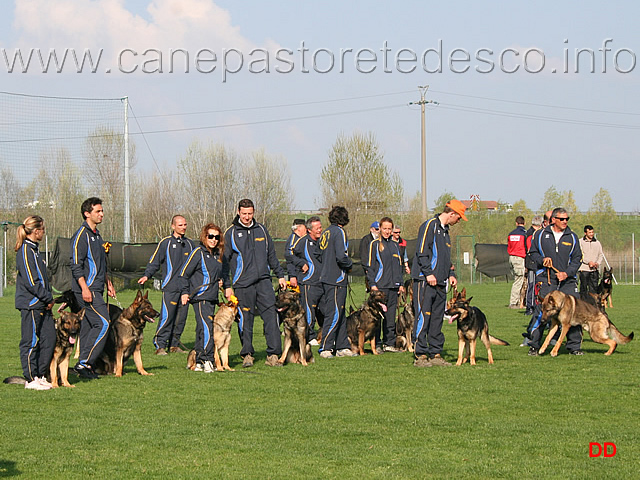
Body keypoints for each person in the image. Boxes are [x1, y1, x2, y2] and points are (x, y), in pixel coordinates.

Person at [223, 199, 286, 368]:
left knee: (272, 317)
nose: (247, 217)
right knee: (245, 320)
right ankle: (247, 354)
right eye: (244, 214)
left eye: (250, 213)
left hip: (264, 281)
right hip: (242, 284)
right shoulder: (231, 233)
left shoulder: (262, 230)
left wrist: (280, 275)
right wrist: (226, 286)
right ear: (238, 212)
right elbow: (224, 261)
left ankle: (273, 354)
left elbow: (271, 255)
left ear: (254, 212)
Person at [411, 199, 467, 367]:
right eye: (458, 218)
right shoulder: (430, 226)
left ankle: (435, 354)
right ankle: (420, 355)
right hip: (425, 281)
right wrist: (428, 273)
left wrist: (451, 273)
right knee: (423, 316)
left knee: (437, 319)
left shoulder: (445, 232)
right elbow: (421, 252)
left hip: (441, 282)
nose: (458, 221)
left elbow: (445, 258)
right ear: (452, 213)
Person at [526, 207, 584, 356]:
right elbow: (532, 253)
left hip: (567, 281)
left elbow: (577, 259)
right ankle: (534, 344)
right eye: (562, 219)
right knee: (542, 311)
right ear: (553, 220)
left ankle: (574, 347)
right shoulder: (539, 235)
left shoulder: (572, 237)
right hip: (546, 279)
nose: (565, 222)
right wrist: (542, 260)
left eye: (567, 219)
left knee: (573, 312)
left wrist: (567, 273)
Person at [70, 197, 116, 380]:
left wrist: (108, 283)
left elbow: (100, 264)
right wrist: (85, 288)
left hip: (98, 287)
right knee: (103, 323)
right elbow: (75, 265)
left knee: (90, 326)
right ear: (87, 214)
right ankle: (85, 362)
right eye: (98, 211)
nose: (102, 214)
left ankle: (83, 364)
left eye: (102, 211)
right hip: (86, 290)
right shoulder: (81, 235)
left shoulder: (97, 235)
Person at [138, 215, 195, 355]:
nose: (183, 227)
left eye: (185, 225)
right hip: (170, 287)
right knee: (167, 317)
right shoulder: (166, 243)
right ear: (173, 226)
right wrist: (147, 275)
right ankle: (160, 345)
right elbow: (155, 261)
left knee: (180, 319)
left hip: (186, 290)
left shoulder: (190, 244)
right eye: (180, 225)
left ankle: (174, 345)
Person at [15, 216, 55, 390]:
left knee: (49, 338)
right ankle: (31, 379)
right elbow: (32, 282)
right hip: (31, 304)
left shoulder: (36, 251)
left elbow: (43, 279)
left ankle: (40, 375)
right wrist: (47, 298)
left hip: (43, 304)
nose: (44, 232)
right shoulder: (25, 251)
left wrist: (48, 298)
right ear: (36, 231)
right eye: (43, 229)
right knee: (30, 341)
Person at [179, 223, 227, 373]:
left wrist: (221, 282)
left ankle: (199, 361)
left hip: (212, 297)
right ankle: (208, 359)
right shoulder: (197, 252)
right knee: (207, 327)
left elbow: (220, 274)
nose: (213, 240)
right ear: (204, 236)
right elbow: (184, 273)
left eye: (216, 237)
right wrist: (184, 292)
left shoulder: (218, 255)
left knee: (201, 329)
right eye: (210, 236)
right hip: (200, 297)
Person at [318, 205, 356, 358]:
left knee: (340, 312)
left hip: (327, 277)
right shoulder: (339, 232)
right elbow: (341, 256)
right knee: (333, 313)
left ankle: (342, 346)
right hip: (336, 279)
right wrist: (350, 264)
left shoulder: (326, 232)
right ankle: (325, 347)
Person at [366, 217, 405, 353]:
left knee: (390, 317)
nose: (387, 231)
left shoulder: (395, 245)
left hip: (393, 287)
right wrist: (373, 285)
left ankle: (389, 343)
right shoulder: (375, 245)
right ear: (380, 229)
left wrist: (400, 284)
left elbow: (398, 266)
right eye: (385, 228)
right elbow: (370, 267)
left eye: (389, 229)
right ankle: (376, 343)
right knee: (377, 317)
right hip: (380, 287)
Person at [291, 216, 324, 344]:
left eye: (320, 227)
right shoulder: (302, 242)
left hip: (322, 282)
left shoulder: (322, 241)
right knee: (309, 310)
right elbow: (290, 254)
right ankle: (309, 336)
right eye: (317, 228)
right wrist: (300, 263)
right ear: (309, 230)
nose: (320, 230)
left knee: (326, 310)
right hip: (308, 282)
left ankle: (324, 335)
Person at [524, 216, 543, 316]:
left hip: (534, 262)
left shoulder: (531, 233)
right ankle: (530, 307)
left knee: (536, 285)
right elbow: (530, 249)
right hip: (532, 263)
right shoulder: (531, 234)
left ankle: (535, 305)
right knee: (532, 285)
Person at [507, 216, 527, 309]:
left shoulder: (511, 234)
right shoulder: (524, 234)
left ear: (516, 223)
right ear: (524, 223)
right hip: (520, 258)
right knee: (519, 280)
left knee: (517, 279)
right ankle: (513, 303)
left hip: (511, 257)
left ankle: (519, 302)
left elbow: (509, 246)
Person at [578, 225, 604, 296]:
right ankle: (583, 303)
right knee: (584, 288)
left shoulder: (597, 243)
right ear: (585, 233)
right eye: (589, 232)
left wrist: (597, 263)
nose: (591, 234)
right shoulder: (580, 242)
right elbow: (580, 254)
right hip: (584, 269)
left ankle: (592, 305)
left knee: (594, 289)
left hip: (594, 270)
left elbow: (600, 254)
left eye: (592, 232)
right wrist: (588, 262)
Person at [284, 219, 307, 288]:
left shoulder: (303, 239)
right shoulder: (293, 239)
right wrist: (292, 276)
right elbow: (289, 256)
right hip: (297, 275)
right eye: (305, 227)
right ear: (299, 228)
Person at [359, 221, 380, 289]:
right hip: (370, 268)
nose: (378, 231)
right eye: (377, 229)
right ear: (371, 229)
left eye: (380, 229)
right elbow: (363, 255)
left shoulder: (380, 240)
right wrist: (366, 268)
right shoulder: (366, 239)